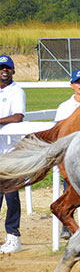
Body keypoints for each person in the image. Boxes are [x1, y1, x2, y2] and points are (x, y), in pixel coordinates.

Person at [56, 70, 80, 239]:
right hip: (71, 154)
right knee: (69, 189)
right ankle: (67, 226)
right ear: (72, 85)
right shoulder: (64, 107)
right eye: (78, 82)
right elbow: (59, 130)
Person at [0, 55, 25, 253]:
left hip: (10, 152)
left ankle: (13, 235)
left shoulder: (17, 91)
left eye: (7, 68)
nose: (4, 71)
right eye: (1, 68)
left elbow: (18, 117)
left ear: (13, 71)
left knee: (11, 196)